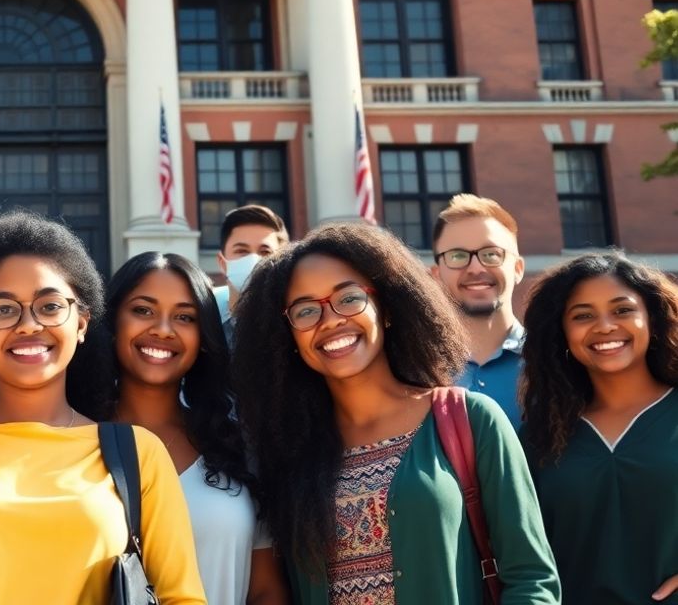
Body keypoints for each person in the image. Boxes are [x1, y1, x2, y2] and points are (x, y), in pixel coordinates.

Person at [0, 211, 205, 604]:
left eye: (50, 306)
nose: (29, 325)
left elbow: (182, 597)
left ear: (81, 323)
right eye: (3, 309)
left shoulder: (138, 453)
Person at [230, 222, 560, 604]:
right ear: (286, 335)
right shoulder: (287, 452)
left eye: (349, 298)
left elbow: (532, 580)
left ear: (386, 307)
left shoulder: (470, 419)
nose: (331, 319)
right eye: (305, 310)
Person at [69, 251, 288, 605]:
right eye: (143, 310)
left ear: (203, 337)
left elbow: (266, 590)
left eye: (185, 317)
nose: (163, 329)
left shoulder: (236, 444)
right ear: (112, 323)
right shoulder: (71, 439)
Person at [519, 253, 678, 604]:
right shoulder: (538, 437)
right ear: (562, 332)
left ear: (652, 319)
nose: (605, 326)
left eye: (622, 310)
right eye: (583, 315)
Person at [430, 194, 527, 427]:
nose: (475, 268)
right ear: (437, 275)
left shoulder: (556, 363)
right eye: (457, 256)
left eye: (491, 254)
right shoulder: (413, 372)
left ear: (517, 268)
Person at [213, 205, 288, 345]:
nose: (254, 260)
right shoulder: (202, 319)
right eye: (242, 251)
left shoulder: (295, 324)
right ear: (222, 263)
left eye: (265, 252)